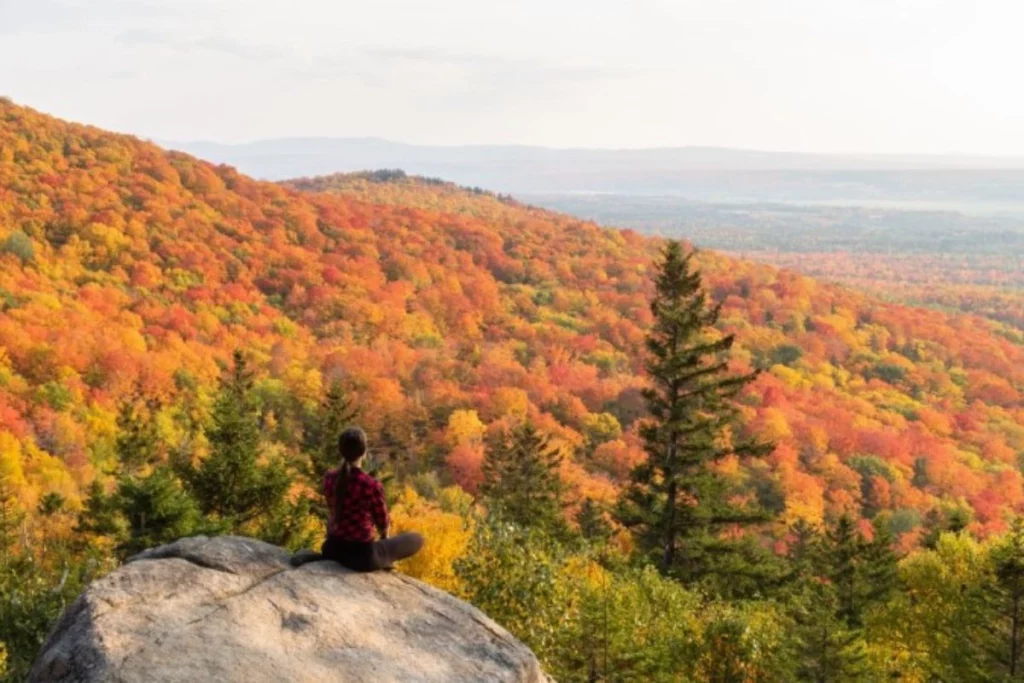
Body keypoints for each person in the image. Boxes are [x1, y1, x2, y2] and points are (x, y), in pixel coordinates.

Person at [292, 427, 423, 571]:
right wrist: (384, 540)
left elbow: (332, 512)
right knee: (416, 539)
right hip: (362, 558)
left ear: (340, 451)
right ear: (364, 452)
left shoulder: (330, 478)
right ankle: (385, 561)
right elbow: (383, 523)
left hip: (333, 548)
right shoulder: (370, 485)